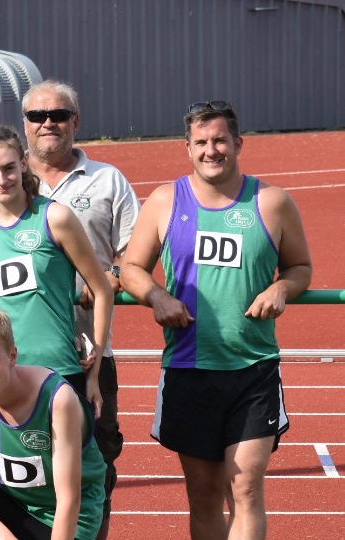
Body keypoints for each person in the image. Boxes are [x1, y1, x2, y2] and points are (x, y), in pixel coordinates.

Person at [120, 101, 311, 540]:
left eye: (220, 140)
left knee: (245, 488)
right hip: (189, 369)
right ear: (187, 148)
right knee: (204, 494)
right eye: (202, 142)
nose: (212, 150)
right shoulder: (166, 200)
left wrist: (282, 288)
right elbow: (131, 268)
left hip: (253, 369)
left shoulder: (272, 202)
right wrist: (157, 296)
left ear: (238, 143)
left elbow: (300, 267)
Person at [18, 80, 137, 537]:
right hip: (19, 356)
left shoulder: (108, 180)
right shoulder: (2, 177)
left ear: (76, 122)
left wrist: (112, 274)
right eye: (37, 115)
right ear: (25, 123)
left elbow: (136, 253)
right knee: (22, 462)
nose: (48, 123)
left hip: (90, 354)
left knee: (97, 462)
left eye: (59, 115)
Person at [0, 126, 113, 415]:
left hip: (60, 370)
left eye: (9, 168)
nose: (1, 180)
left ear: (23, 163)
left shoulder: (55, 217)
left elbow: (102, 290)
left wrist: (94, 370)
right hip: (7, 374)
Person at [0, 306, 107, 540]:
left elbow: (68, 499)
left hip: (67, 512)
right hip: (11, 496)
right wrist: (2, 535)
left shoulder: (58, 398)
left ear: (12, 356)